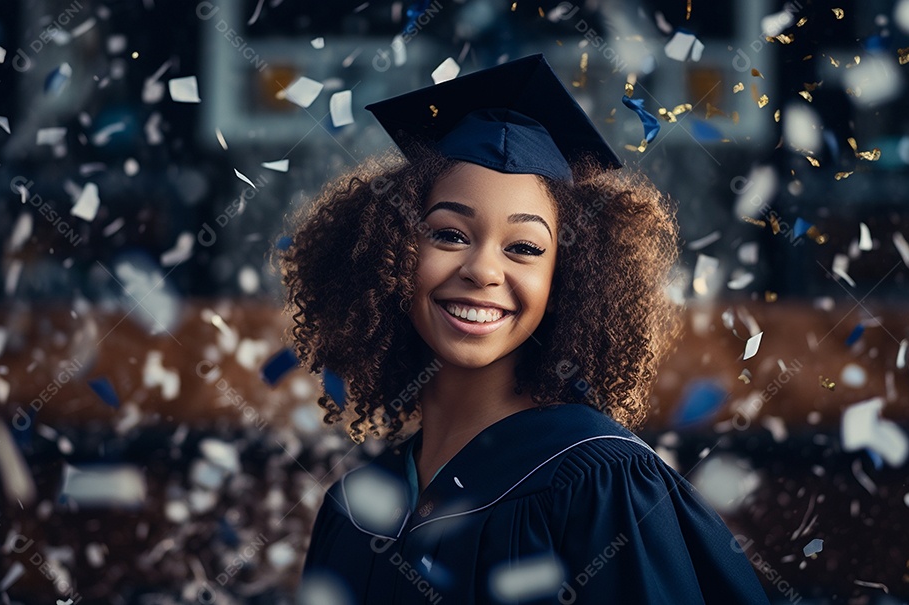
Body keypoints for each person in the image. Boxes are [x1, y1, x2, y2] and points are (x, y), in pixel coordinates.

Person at [281, 54, 770, 604]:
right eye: (449, 235)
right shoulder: (356, 506)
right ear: (391, 251)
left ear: (566, 280)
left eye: (524, 248)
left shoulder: (600, 479)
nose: (483, 270)